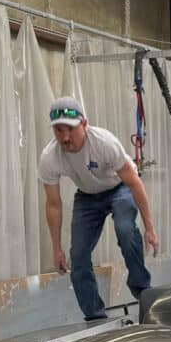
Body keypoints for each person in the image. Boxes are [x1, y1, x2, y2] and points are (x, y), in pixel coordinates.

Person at [39, 96, 160, 321]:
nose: (65, 138)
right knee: (78, 254)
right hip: (87, 196)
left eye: (71, 130)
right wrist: (56, 248)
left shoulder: (104, 143)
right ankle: (94, 316)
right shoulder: (50, 157)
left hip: (119, 188)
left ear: (84, 124)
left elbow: (134, 182)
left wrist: (149, 228)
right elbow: (53, 204)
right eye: (58, 131)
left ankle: (142, 290)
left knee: (125, 229)